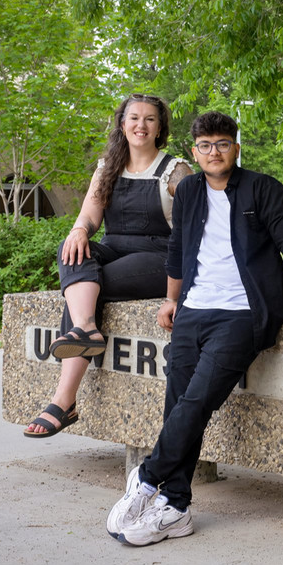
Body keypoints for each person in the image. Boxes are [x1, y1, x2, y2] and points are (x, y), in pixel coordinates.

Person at [108, 111, 283, 546]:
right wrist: (172, 299)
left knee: (197, 399)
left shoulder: (262, 188)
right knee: (181, 401)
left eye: (222, 143)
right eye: (205, 145)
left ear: (236, 148)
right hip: (193, 310)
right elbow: (179, 250)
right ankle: (178, 508)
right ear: (194, 151)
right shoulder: (188, 190)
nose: (214, 152)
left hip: (243, 313)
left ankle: (147, 480)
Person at [25, 94, 193, 437]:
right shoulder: (108, 167)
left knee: (88, 287)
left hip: (162, 256)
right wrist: (79, 230)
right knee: (71, 248)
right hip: (115, 247)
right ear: (122, 124)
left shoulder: (175, 170)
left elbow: (196, 227)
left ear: (160, 128)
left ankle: (63, 399)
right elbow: (89, 215)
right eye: (134, 118)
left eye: (149, 119)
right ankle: (85, 328)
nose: (140, 125)